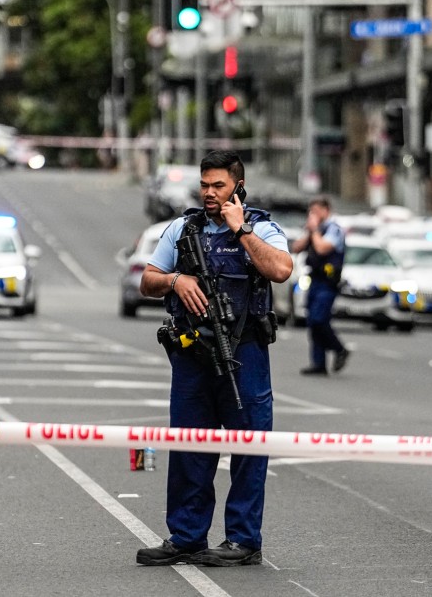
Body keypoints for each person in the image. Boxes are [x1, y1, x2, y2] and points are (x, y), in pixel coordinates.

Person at [136, 150, 293, 567]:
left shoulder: (262, 227)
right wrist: (175, 280)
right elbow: (147, 280)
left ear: (238, 187)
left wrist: (240, 231)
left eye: (218, 185)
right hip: (192, 354)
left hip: (244, 353)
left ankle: (243, 541)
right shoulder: (182, 228)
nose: (209, 192)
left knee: (249, 447)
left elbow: (281, 269)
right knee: (188, 446)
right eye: (204, 184)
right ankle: (186, 536)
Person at [290, 197, 350, 375]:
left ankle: (339, 349)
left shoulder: (333, 229)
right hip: (314, 280)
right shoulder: (315, 230)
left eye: (316, 211)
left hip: (328, 282)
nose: (313, 215)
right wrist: (310, 232)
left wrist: (314, 230)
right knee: (312, 322)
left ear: (326, 210)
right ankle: (319, 363)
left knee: (319, 319)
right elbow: (296, 247)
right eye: (311, 212)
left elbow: (323, 248)